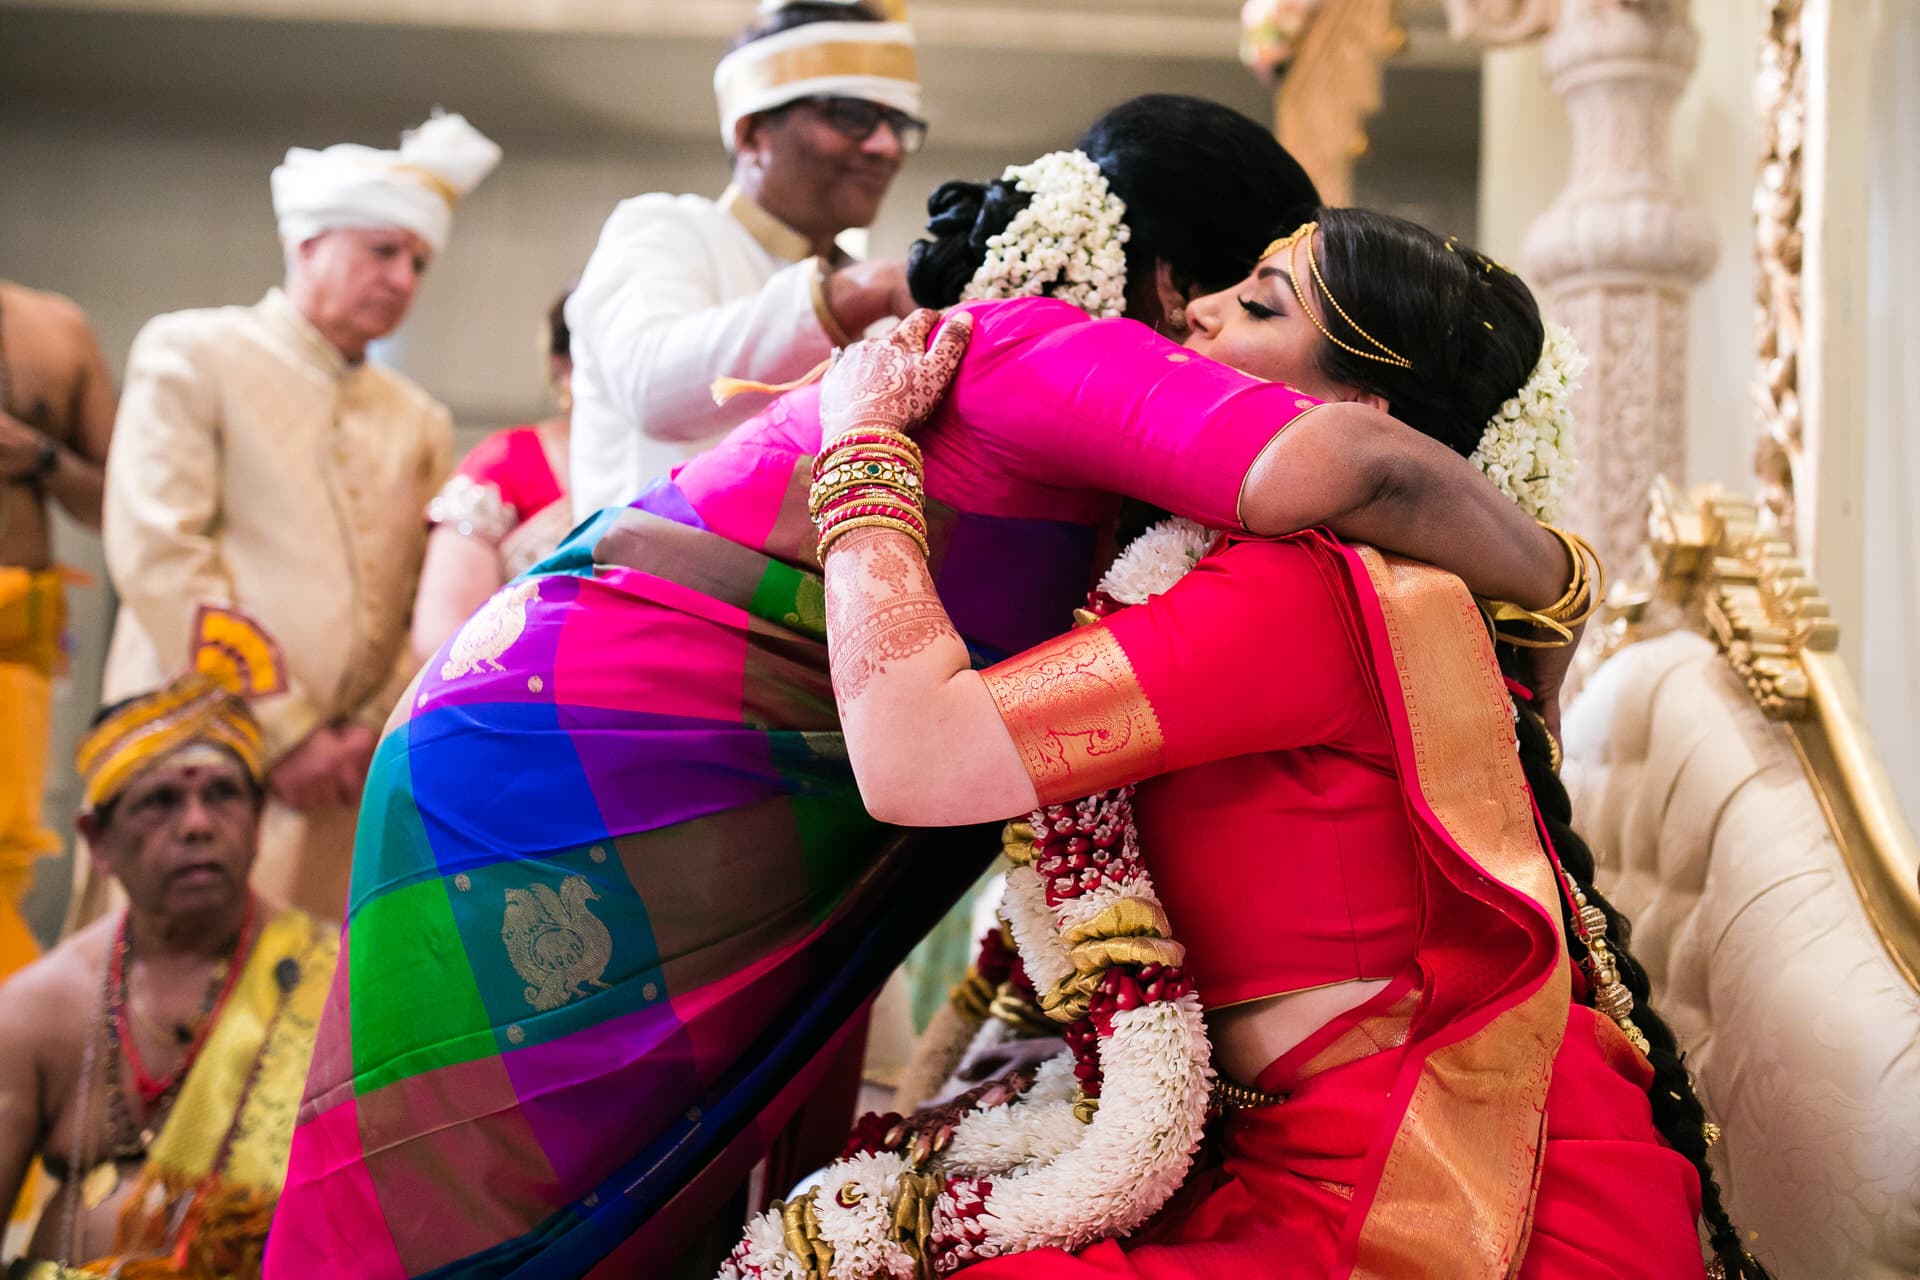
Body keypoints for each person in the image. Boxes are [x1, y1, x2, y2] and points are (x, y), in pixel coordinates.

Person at [267, 98, 1579, 1279]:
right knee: (467, 1198)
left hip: (643, 757)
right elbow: (1368, 469)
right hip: (588, 762)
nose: (1204, 320)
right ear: (1166, 275)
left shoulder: (1205, 521)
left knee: (663, 1179)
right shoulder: (1057, 354)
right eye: (1226, 284)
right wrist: (1562, 576)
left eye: (1260, 297)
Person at [773, 209, 1767, 1278]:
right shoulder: (1275, 572)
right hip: (1308, 1144)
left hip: (1429, 1184)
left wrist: (861, 445)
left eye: (1256, 303)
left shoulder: (1300, 589)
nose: (1194, 309)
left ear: (1352, 414)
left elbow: (911, 753)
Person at [94, 113, 499, 924]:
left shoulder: (416, 414)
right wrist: (285, 731)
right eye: (381, 251)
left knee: (305, 1007)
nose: (403, 278)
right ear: (308, 244)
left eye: (418, 261)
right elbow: (159, 551)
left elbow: (418, 591)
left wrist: (361, 735)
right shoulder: (195, 352)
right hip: (197, 749)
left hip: (343, 776)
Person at [0, 607, 337, 1278]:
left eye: (222, 795)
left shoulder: (335, 978)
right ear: (97, 840)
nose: (196, 825)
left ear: (258, 818)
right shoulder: (38, 1009)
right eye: (159, 803)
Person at [567, 0, 923, 517]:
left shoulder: (867, 291)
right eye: (852, 116)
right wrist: (855, 295)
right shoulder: (664, 228)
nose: (887, 146)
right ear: (751, 133)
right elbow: (654, 389)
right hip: (642, 590)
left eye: (899, 123)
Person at [0, 281, 114, 982]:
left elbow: (118, 500)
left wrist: (40, 457)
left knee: (7, 858)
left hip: (17, 653)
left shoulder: (54, 329)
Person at [411, 286, 577, 664]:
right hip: (521, 711)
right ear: (562, 364)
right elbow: (441, 648)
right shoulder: (507, 464)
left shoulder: (690, 470)